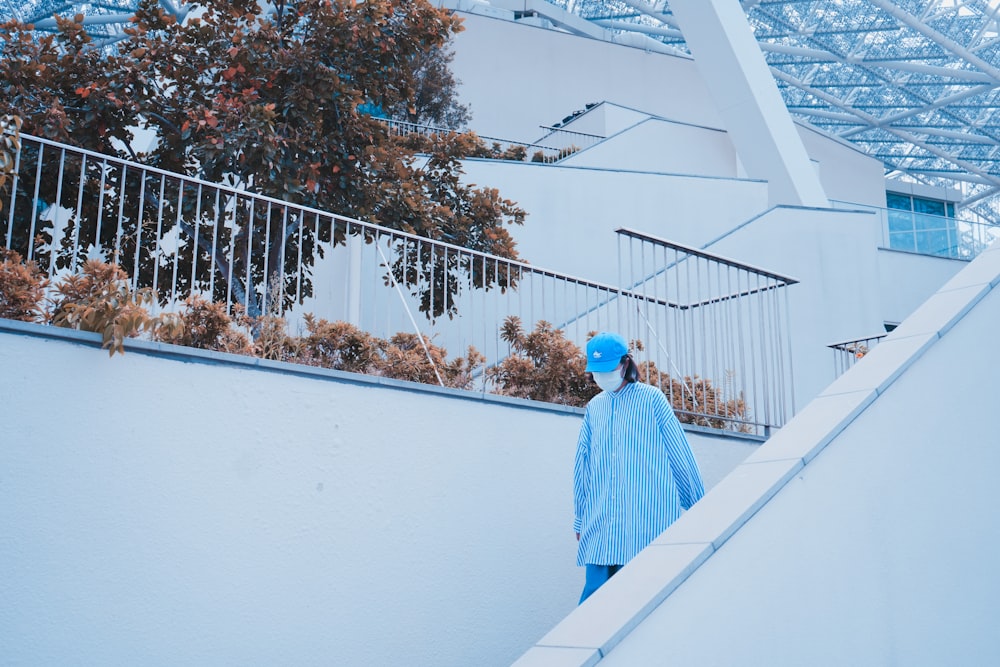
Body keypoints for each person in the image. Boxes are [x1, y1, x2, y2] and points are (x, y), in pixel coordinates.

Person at [573, 331, 705, 604]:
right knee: (593, 606)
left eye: (608, 369)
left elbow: (679, 454)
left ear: (625, 364)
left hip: (645, 523)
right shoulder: (594, 408)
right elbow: (582, 467)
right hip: (601, 523)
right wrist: (579, 518)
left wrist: (699, 508)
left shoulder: (652, 400)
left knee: (638, 602)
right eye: (597, 372)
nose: (602, 377)